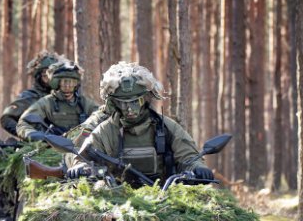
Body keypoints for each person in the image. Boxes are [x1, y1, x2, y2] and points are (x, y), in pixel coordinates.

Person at [67, 62, 214, 185]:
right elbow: (83, 158)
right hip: (116, 200)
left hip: (164, 197)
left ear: (146, 98)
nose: (130, 108)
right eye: (123, 103)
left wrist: (198, 168)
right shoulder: (106, 130)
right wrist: (81, 167)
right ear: (114, 103)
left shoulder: (166, 127)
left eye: (135, 101)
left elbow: (188, 156)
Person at [16, 60, 98, 141]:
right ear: (56, 83)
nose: (68, 86)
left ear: (77, 84)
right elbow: (23, 123)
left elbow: (103, 117)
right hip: (51, 147)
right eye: (64, 82)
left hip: (80, 147)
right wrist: (37, 136)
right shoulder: (46, 103)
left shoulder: (84, 104)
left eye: (72, 82)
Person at [0, 50, 62, 138]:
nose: (50, 78)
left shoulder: (66, 96)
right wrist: (28, 135)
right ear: (39, 76)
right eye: (45, 74)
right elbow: (6, 119)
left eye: (53, 74)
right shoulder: (31, 96)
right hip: (39, 147)